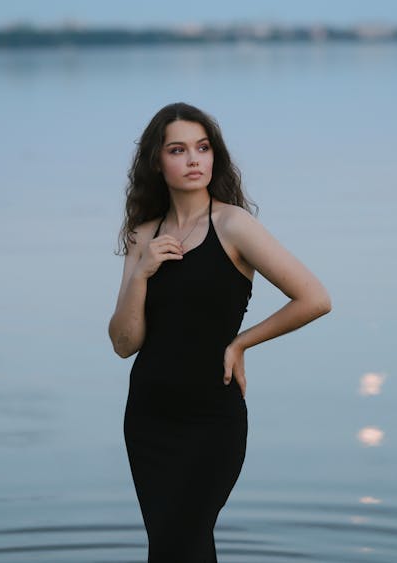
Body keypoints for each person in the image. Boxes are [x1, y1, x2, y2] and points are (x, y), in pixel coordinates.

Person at [108, 102, 331, 562]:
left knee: (182, 542)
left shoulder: (234, 225)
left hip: (212, 419)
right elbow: (124, 343)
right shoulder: (142, 236)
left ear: (215, 156)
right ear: (157, 161)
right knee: (173, 549)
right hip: (149, 419)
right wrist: (141, 273)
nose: (193, 159)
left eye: (202, 148)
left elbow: (314, 298)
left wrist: (241, 341)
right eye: (178, 149)